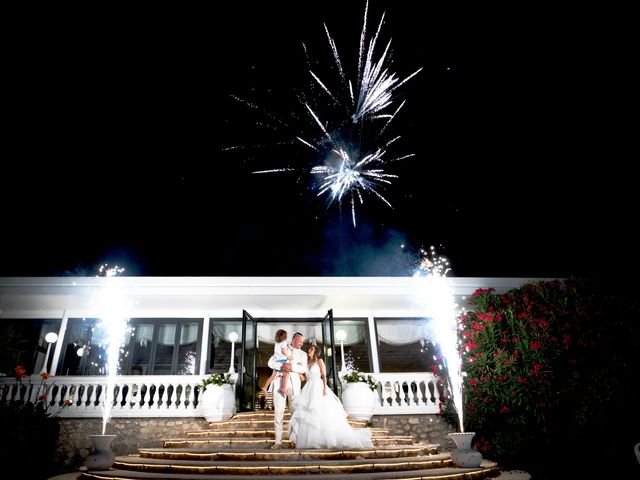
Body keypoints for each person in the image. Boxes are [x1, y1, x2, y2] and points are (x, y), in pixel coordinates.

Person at [288, 344, 373, 449]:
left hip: (318, 387)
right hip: (309, 388)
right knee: (309, 413)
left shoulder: (319, 361)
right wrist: (297, 368)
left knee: (321, 411)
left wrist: (324, 388)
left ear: (316, 351)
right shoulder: (307, 364)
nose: (309, 350)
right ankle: (313, 440)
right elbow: (303, 379)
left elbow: (323, 375)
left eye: (311, 349)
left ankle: (327, 439)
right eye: (309, 349)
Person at [267, 331, 308, 449]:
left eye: (302, 342)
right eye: (300, 341)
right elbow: (271, 362)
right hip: (279, 382)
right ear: (294, 339)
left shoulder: (303, 354)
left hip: (294, 386)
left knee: (295, 413)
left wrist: (292, 367)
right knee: (278, 413)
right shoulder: (281, 347)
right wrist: (281, 366)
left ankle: (295, 440)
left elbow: (303, 368)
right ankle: (278, 442)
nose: (301, 344)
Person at [261, 329, 293, 397]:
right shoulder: (284, 342)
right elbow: (283, 350)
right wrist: (288, 356)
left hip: (276, 361)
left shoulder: (277, 343)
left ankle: (265, 387)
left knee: (273, 376)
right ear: (284, 336)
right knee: (286, 374)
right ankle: (284, 388)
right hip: (281, 362)